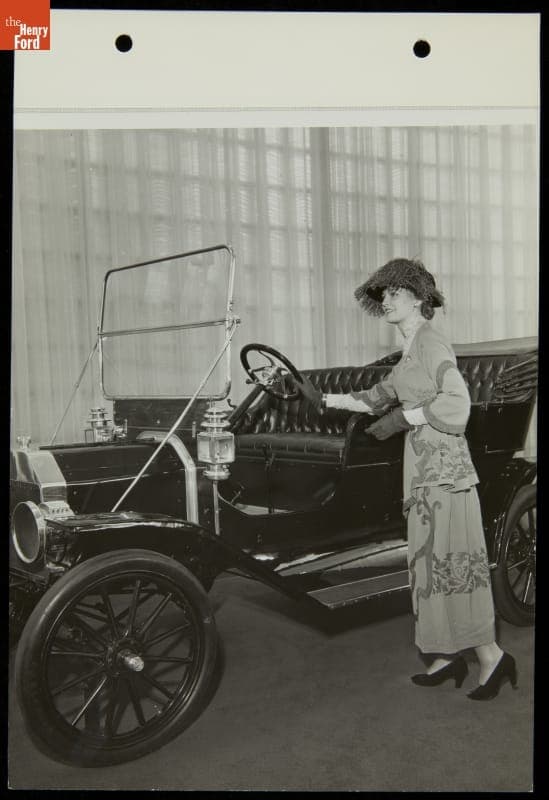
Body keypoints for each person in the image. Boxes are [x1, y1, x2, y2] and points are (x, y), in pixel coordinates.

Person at [298, 257, 517, 700]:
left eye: (395, 293)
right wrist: (324, 398)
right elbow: (373, 397)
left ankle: (492, 656)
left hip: (445, 474)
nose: (387, 301)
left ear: (419, 298)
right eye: (384, 295)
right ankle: (446, 656)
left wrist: (403, 419)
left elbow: (458, 403)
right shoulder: (408, 355)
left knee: (453, 563)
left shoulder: (433, 344)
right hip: (422, 473)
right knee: (426, 562)